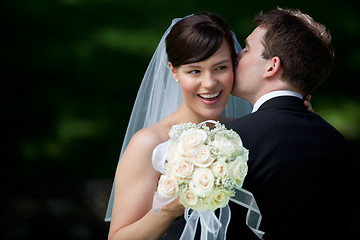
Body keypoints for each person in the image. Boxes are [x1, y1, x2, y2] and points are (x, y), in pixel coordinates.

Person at [106, 13, 253, 240]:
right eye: (195, 71)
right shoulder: (149, 144)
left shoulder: (247, 132)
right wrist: (168, 209)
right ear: (174, 72)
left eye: (220, 68)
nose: (209, 83)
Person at [225, 8, 360, 239]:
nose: (236, 55)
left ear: (272, 66)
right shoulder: (341, 145)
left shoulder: (230, 140)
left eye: (247, 49)